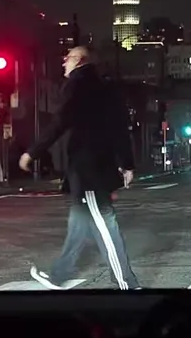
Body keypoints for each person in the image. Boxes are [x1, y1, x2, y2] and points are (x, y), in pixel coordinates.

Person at [19, 45, 141, 291]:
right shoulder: (107, 88)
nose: (63, 62)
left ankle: (127, 284)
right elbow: (120, 128)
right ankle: (58, 276)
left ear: (79, 60)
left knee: (105, 224)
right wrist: (126, 163)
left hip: (88, 171)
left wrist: (33, 151)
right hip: (99, 167)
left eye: (67, 58)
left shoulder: (77, 85)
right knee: (78, 223)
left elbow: (59, 122)